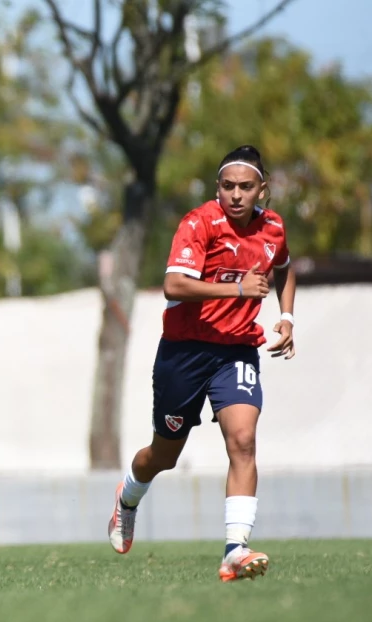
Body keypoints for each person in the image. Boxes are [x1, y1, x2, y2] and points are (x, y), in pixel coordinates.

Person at [107, 145, 296, 582]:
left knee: (243, 440)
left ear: (262, 189)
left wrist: (287, 317)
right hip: (184, 353)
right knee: (164, 455)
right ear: (217, 188)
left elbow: (284, 266)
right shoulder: (199, 223)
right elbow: (174, 284)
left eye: (245, 187)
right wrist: (237, 290)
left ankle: (235, 550)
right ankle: (128, 497)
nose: (236, 195)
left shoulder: (272, 227)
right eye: (228, 186)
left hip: (236, 349)